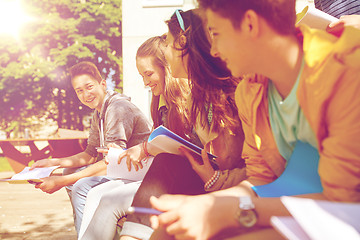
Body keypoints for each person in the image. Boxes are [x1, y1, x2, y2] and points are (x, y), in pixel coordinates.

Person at [147, 0, 360, 239]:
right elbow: (260, 180)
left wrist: (228, 211)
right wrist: (200, 206)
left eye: (216, 34)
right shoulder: (250, 92)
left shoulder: (346, 70)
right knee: (168, 229)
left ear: (250, 24)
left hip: (341, 214)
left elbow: (341, 201)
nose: (214, 49)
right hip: (303, 206)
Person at [119, 9, 246, 240]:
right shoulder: (196, 95)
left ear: (183, 42)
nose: (164, 50)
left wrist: (215, 176)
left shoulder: (234, 91)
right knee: (165, 169)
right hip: (207, 177)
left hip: (226, 184)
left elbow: (244, 164)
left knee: (165, 166)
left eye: (166, 43)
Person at [77, 35, 192, 240]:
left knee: (108, 200)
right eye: (142, 76)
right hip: (155, 171)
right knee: (94, 193)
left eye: (149, 74)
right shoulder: (158, 101)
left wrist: (146, 149)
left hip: (176, 177)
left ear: (167, 68)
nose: (146, 82)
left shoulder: (187, 102)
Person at [30, 61, 152, 234]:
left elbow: (112, 161)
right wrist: (52, 163)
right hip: (123, 169)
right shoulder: (99, 112)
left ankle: (90, 235)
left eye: (89, 87)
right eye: (79, 90)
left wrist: (60, 182)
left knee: (81, 186)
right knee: (69, 172)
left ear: (102, 84)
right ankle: (94, 231)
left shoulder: (118, 108)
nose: (85, 94)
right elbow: (90, 154)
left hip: (139, 171)